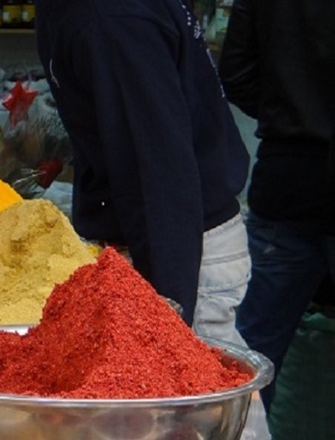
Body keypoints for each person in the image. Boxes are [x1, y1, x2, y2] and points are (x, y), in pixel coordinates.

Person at [33, 0, 251, 346]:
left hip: (180, 251)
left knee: (198, 391)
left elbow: (160, 176)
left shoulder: (108, 18)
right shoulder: (82, 14)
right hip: (165, 240)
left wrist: (167, 321)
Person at [218, 0, 335, 411]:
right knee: (248, 357)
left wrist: (288, 112)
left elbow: (235, 72)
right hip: (290, 176)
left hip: (289, 176)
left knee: (248, 360)